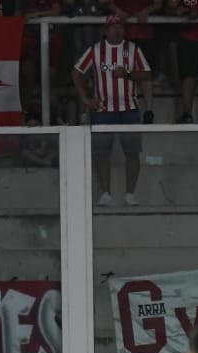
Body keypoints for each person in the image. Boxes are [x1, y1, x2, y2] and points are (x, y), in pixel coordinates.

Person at [75, 15, 153, 208]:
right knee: (102, 153)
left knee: (133, 152)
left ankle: (130, 193)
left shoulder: (133, 49)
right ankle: (105, 193)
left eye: (120, 26)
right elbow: (77, 72)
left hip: (130, 109)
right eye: (113, 27)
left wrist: (127, 74)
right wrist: (85, 98)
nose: (117, 30)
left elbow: (147, 74)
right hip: (103, 110)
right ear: (105, 30)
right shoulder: (95, 50)